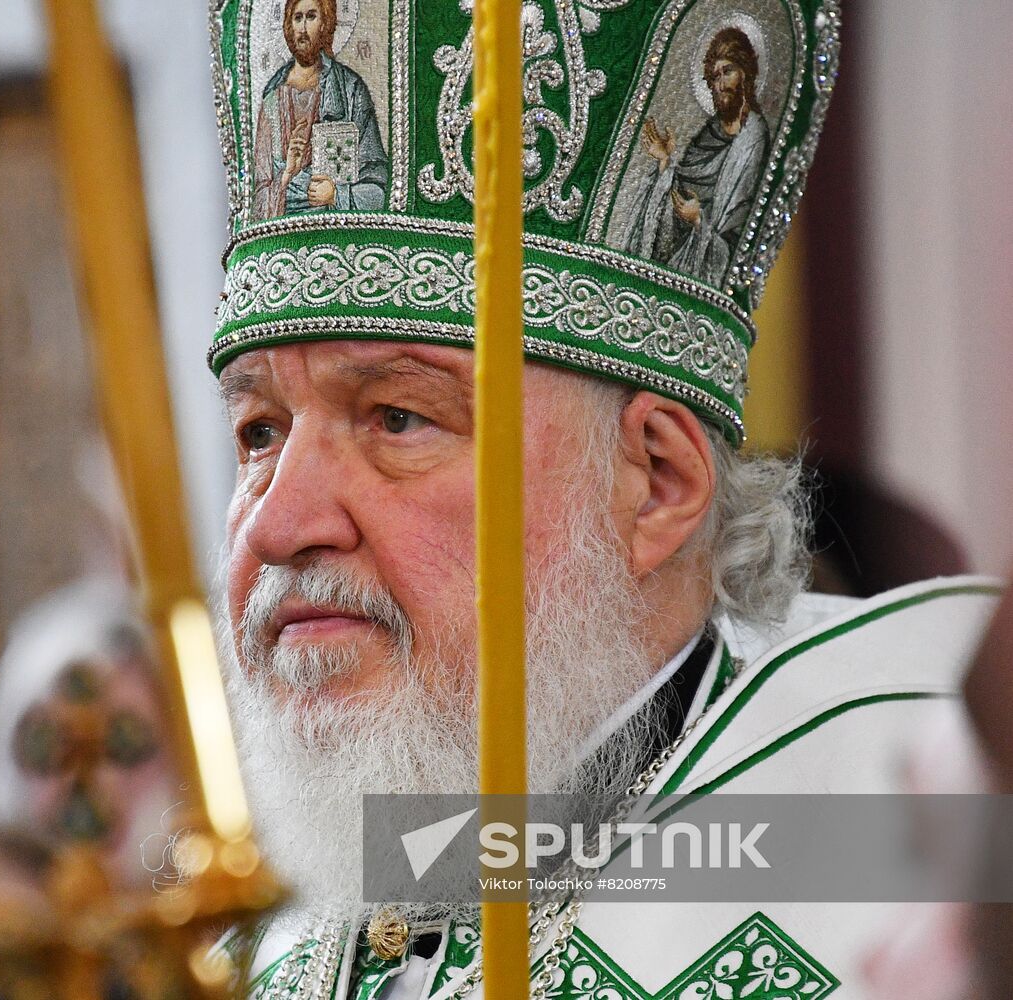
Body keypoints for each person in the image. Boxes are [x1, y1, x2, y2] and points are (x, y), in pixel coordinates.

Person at [206, 0, 998, 996]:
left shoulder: (918, 859)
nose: (278, 523)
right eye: (259, 433)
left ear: (656, 482)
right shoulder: (283, 950)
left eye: (398, 419)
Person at [622, 26, 771, 287]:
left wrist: (700, 221)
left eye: (728, 72)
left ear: (745, 74)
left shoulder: (753, 139)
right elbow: (679, 200)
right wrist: (665, 162)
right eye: (714, 77)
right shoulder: (708, 135)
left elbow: (736, 232)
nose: (720, 84)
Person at [250, 0, 388, 219]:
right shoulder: (272, 100)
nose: (303, 29)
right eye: (297, 18)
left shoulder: (350, 90)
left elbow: (379, 186)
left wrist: (336, 195)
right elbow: (256, 199)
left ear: (326, 23)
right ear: (288, 25)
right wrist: (286, 176)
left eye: (311, 16)